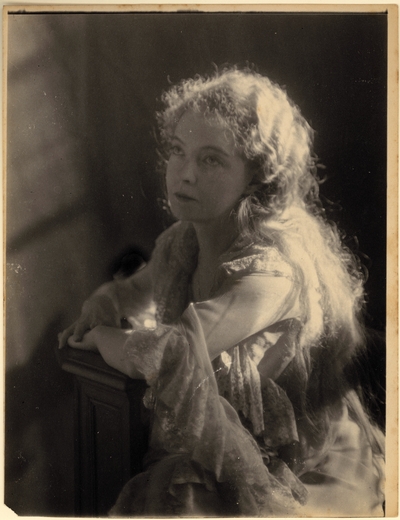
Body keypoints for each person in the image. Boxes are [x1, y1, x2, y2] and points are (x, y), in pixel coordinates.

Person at [59, 67, 385, 516]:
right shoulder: (183, 240)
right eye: (177, 151)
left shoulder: (273, 272)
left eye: (211, 159)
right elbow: (133, 291)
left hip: (304, 467)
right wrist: (102, 304)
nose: (184, 174)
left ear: (257, 177)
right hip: (232, 442)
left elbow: (177, 349)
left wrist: (101, 339)